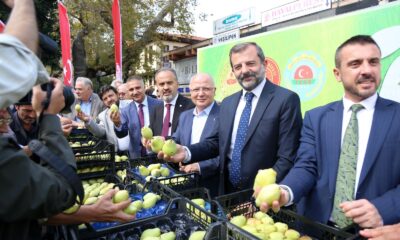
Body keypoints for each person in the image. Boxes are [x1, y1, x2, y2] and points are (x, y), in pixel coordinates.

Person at [260, 35, 400, 229]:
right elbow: (307, 166)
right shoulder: (316, 118)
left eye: (373, 62)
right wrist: (286, 191)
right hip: (317, 228)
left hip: (376, 232)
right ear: (337, 74)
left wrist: (383, 209)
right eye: (355, 64)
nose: (367, 70)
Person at [158, 42, 302, 195]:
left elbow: (287, 156)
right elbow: (216, 143)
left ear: (264, 64)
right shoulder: (228, 103)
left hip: (263, 194)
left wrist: (265, 190)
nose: (244, 71)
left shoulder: (286, 100)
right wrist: (186, 152)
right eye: (238, 67)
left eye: (250, 63)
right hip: (226, 193)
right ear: (233, 71)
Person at [173, 73, 220, 197]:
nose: (201, 93)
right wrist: (162, 141)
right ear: (190, 92)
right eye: (196, 89)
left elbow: (228, 156)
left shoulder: (225, 115)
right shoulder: (185, 116)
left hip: (213, 186)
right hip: (186, 184)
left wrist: (200, 166)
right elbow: (176, 139)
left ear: (214, 90)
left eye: (206, 89)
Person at [111, 76, 162, 158]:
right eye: (131, 89)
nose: (135, 92)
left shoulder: (159, 105)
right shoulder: (125, 111)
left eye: (138, 88)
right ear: (128, 91)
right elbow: (122, 134)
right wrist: (117, 123)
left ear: (144, 87)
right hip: (137, 156)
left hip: (158, 154)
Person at [76, 85, 128, 151]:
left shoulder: (130, 105)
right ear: (103, 102)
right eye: (105, 99)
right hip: (118, 154)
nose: (109, 99)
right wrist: (88, 121)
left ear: (117, 94)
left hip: (136, 152)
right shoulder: (103, 115)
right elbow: (101, 133)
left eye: (111, 95)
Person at [150, 68, 195, 137]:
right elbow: (151, 132)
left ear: (177, 84)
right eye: (161, 84)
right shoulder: (155, 108)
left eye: (169, 83)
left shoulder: (191, 106)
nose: (166, 87)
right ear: (157, 87)